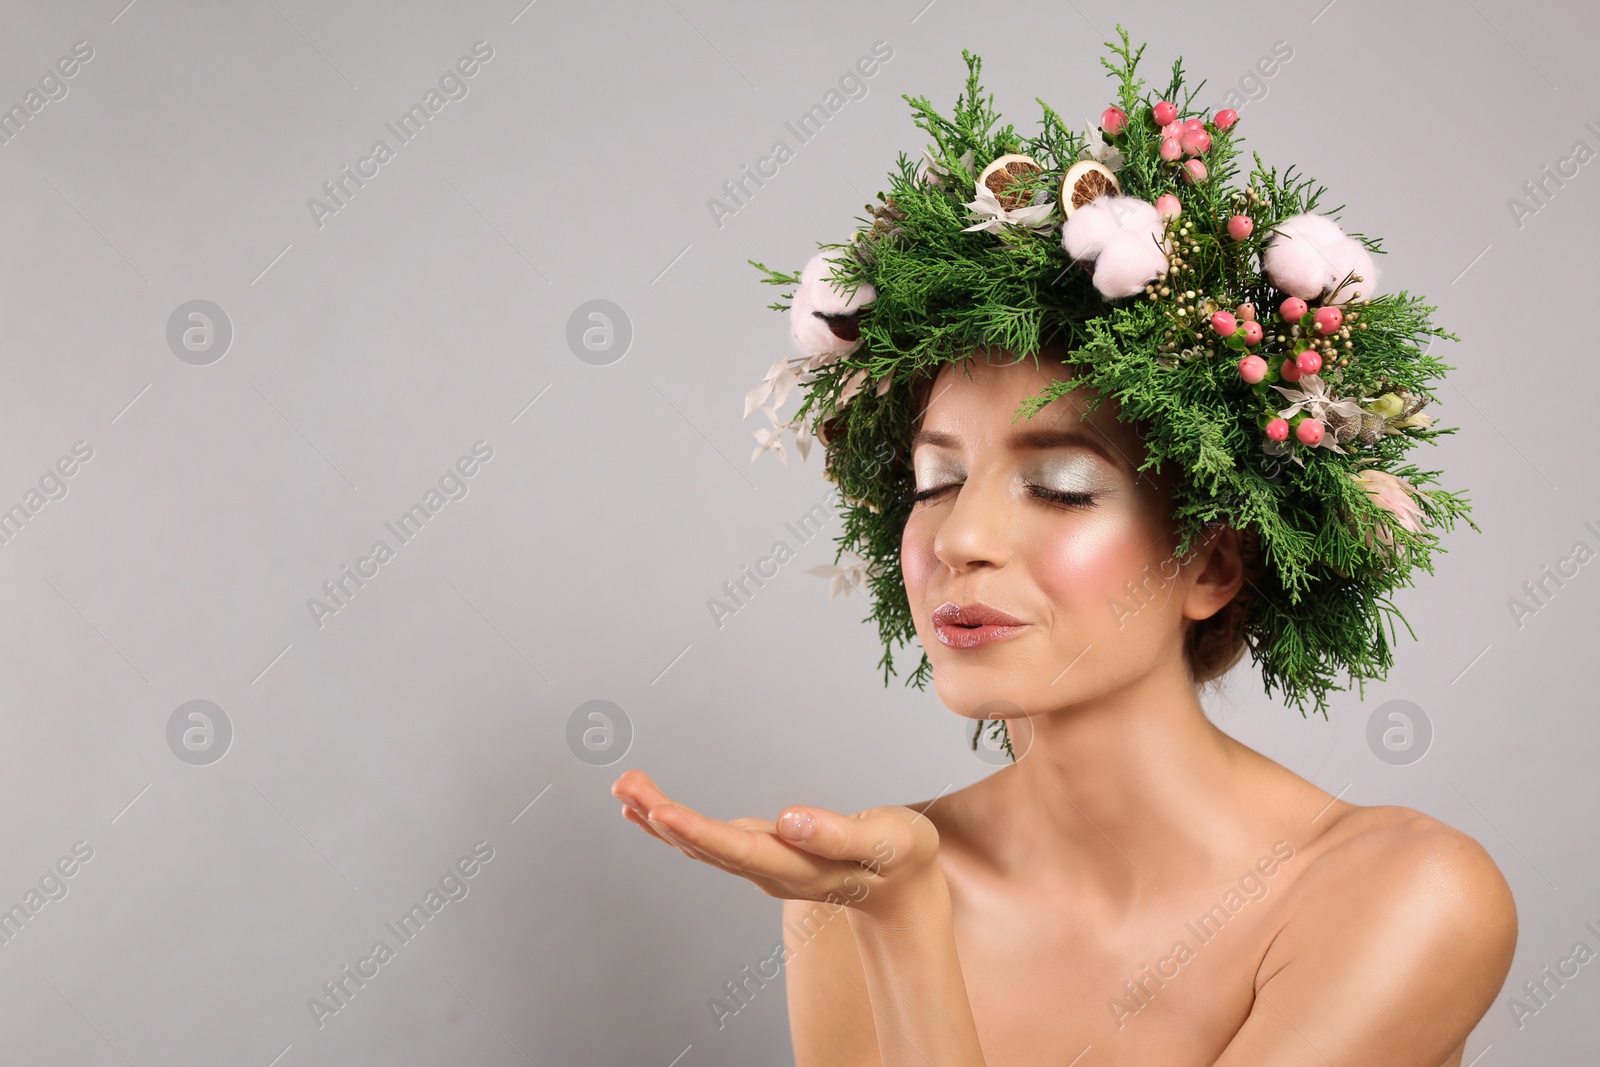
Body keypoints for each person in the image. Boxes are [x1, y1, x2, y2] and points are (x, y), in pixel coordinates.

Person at [613, 29, 1517, 1066]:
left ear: (1212, 563)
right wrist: (891, 905)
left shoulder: (1398, 892)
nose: (960, 535)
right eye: (936, 479)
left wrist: (905, 923)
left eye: (1059, 485)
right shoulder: (853, 882)